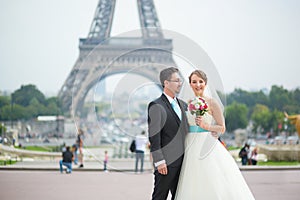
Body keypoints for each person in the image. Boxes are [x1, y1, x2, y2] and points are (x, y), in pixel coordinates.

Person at [174, 70, 255, 199]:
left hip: (206, 143)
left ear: (205, 83)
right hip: (189, 144)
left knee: (211, 178)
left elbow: (222, 127)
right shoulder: (186, 103)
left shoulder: (212, 103)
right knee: (192, 179)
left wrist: (207, 126)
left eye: (200, 81)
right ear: (190, 84)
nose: (198, 85)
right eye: (194, 82)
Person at [148, 67, 189, 200]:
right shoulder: (156, 105)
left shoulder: (184, 105)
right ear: (166, 83)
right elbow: (154, 136)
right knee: (160, 196)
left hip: (185, 162)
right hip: (166, 163)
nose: (180, 83)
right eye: (176, 80)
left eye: (180, 80)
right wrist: (159, 161)